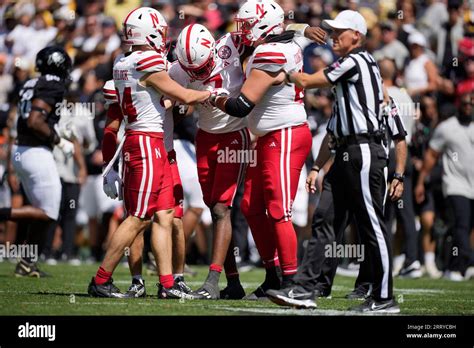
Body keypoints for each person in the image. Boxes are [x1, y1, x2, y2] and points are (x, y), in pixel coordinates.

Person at [267, 10, 406, 313]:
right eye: (331, 31)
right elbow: (333, 124)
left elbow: (307, 79)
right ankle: (306, 289)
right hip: (345, 152)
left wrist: (283, 71)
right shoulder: (353, 68)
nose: (332, 37)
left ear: (357, 35)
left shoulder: (355, 60)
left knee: (371, 224)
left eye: (338, 31)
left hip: (363, 150)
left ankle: (384, 297)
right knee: (325, 220)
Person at [87, 7, 210, 298]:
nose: (165, 37)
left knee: (166, 214)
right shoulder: (149, 61)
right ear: (150, 33)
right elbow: (183, 97)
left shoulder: (122, 61)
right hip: (145, 142)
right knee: (140, 216)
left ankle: (168, 284)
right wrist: (213, 94)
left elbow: (162, 101)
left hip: (148, 141)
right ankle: (102, 279)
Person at [212, 0, 312, 299]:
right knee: (251, 207)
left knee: (279, 210)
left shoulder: (270, 51)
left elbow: (241, 105)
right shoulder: (284, 40)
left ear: (265, 24)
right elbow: (291, 30)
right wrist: (306, 26)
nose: (242, 32)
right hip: (269, 136)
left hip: (285, 134)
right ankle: (272, 276)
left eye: (247, 25)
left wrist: (210, 96)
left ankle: (293, 282)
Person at [169, 24, 248, 300]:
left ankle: (213, 280)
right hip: (204, 137)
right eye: (193, 71)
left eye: (203, 68)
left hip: (234, 134)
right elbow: (174, 105)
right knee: (213, 208)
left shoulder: (231, 44)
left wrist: (305, 28)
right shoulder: (178, 69)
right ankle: (234, 282)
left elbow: (273, 35)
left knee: (220, 209)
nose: (199, 75)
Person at [0, 46, 74, 277]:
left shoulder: (31, 83)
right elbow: (34, 120)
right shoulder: (52, 85)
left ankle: (26, 263)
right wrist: (58, 140)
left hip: (22, 149)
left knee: (42, 211)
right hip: (35, 152)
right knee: (48, 212)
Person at [415, 92, 474, 281]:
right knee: (462, 224)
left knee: (468, 227)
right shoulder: (447, 128)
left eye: (471, 104)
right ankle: (460, 267)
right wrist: (420, 181)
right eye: (465, 103)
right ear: (459, 104)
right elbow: (431, 155)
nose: (468, 107)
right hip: (455, 185)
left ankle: (460, 264)